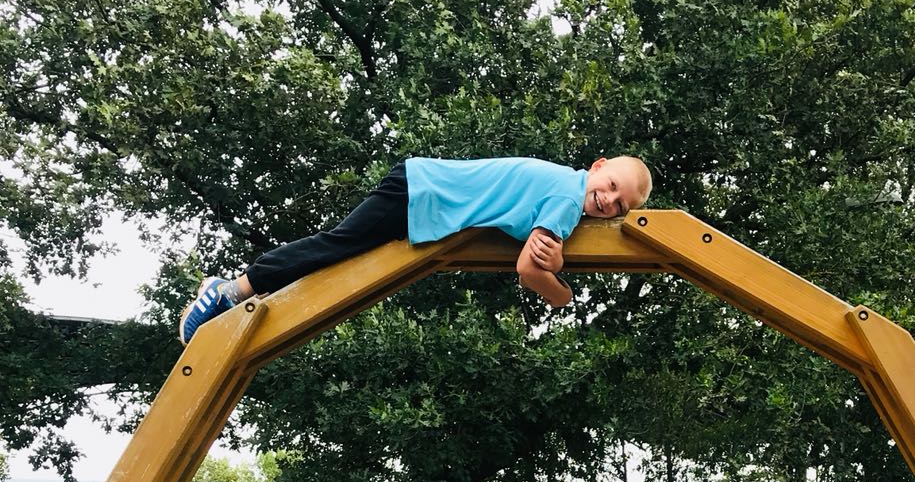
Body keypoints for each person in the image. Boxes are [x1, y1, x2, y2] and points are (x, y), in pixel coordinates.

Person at [178, 153, 654, 340]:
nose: (609, 201)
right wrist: (562, 293)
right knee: (335, 247)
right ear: (597, 167)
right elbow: (530, 270)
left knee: (338, 258)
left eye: (620, 206)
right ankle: (231, 290)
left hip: (419, 188)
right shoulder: (568, 199)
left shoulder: (562, 185)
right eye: (612, 185)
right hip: (419, 195)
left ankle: (253, 291)